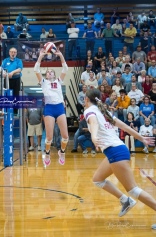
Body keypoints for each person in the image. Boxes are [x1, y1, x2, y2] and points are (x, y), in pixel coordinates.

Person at [83, 88, 156, 225]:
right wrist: (142, 139)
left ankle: (129, 199)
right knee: (98, 179)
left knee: (133, 190)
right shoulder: (105, 113)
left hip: (115, 152)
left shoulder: (89, 111)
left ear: (86, 99)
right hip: (118, 149)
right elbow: (126, 127)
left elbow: (93, 123)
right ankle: (125, 200)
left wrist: (93, 137)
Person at [34, 49, 69, 166]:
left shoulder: (59, 81)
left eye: (51, 72)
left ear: (54, 74)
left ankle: (62, 152)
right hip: (49, 108)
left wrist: (61, 55)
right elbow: (36, 70)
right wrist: (40, 56)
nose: (49, 73)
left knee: (65, 136)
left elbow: (65, 69)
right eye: (47, 72)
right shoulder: (43, 82)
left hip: (59, 107)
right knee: (49, 137)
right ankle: (47, 153)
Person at [1, 47, 23, 114]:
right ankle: (7, 110)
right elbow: (1, 69)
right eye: (12, 52)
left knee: (16, 95)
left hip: (16, 79)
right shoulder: (5, 60)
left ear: (16, 53)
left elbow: (19, 69)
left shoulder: (18, 60)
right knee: (7, 95)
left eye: (14, 52)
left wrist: (12, 73)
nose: (13, 53)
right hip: (7, 80)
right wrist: (4, 74)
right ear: (9, 53)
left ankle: (15, 111)